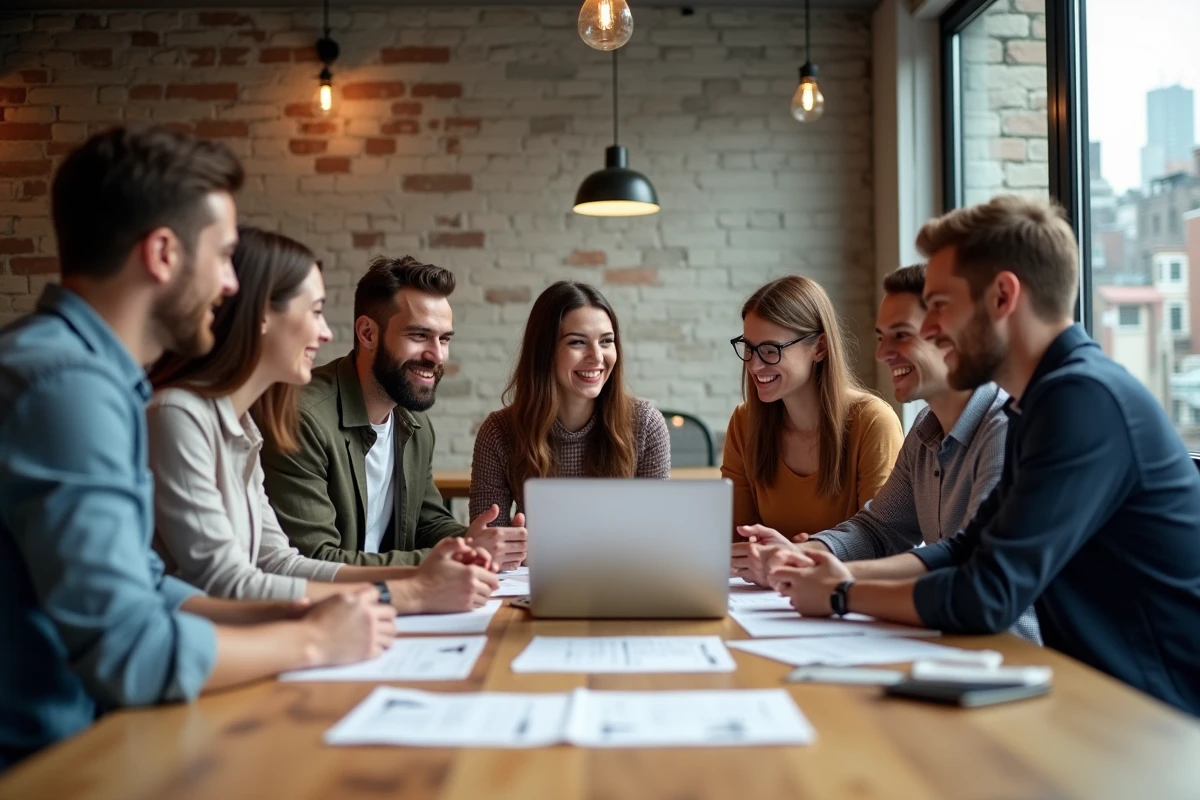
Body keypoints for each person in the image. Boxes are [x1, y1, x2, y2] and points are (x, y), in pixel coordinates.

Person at [0, 126, 395, 770]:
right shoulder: (67, 386)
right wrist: (312, 642)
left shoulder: (94, 376)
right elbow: (132, 653)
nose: (232, 284)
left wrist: (319, 613)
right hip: (50, 764)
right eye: (223, 255)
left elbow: (154, 588)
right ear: (162, 253)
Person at [766, 195, 1200, 715]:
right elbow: (966, 548)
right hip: (1096, 704)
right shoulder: (1040, 402)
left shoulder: (1081, 400)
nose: (930, 330)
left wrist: (842, 596)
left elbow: (988, 594)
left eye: (942, 304)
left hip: (1155, 724)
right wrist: (838, 574)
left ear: (1002, 296)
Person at [146, 226, 499, 612]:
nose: (327, 332)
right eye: (315, 312)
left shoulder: (242, 424)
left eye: (444, 339)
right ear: (261, 315)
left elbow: (280, 564)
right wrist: (410, 591)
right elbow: (224, 581)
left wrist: (452, 558)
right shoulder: (178, 415)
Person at [733, 265, 1039, 643]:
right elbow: (879, 530)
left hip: (1008, 651)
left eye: (901, 336)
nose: (882, 354)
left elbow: (972, 570)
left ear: (951, 335)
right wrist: (805, 554)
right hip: (942, 641)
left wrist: (841, 591)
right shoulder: (926, 428)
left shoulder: (1006, 429)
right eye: (882, 337)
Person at [261, 256, 528, 571]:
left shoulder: (414, 424)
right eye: (419, 336)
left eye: (444, 339)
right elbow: (316, 561)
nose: (437, 355)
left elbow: (426, 522)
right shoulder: (302, 418)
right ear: (368, 334)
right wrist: (459, 554)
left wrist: (479, 543)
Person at [470, 281, 671, 524]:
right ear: (544, 352)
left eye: (606, 341)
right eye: (577, 342)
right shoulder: (499, 431)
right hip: (536, 563)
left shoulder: (646, 424)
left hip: (621, 563)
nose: (597, 357)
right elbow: (489, 542)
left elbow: (656, 532)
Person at [722, 275, 903, 542]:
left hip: (846, 583)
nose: (754, 365)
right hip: (766, 584)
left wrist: (799, 556)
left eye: (771, 350)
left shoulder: (873, 422)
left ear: (819, 347)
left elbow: (883, 541)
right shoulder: (744, 422)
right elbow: (738, 537)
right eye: (749, 348)